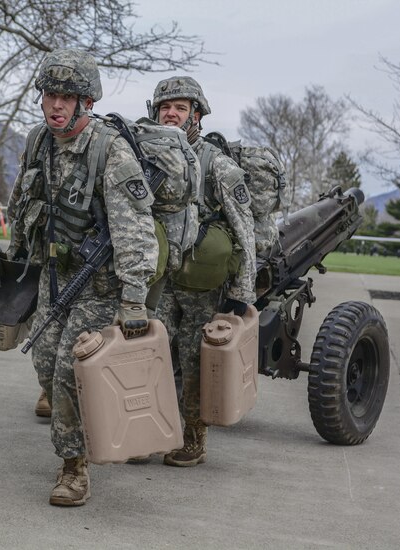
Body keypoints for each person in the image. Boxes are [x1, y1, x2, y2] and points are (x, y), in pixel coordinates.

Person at [8, 49, 158, 506]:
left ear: (85, 102)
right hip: (55, 277)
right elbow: (21, 199)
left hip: (99, 285)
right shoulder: (39, 141)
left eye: (66, 97)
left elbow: (136, 229)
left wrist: (134, 299)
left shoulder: (109, 151)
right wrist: (14, 258)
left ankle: (74, 468)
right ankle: (83, 432)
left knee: (68, 371)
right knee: (42, 361)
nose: (56, 105)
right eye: (50, 95)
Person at [149, 76, 257, 466]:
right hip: (160, 279)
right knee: (152, 352)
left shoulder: (219, 167)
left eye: (180, 107)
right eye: (165, 107)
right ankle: (150, 430)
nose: (171, 113)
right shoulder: (145, 158)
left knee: (193, 358)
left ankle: (193, 436)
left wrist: (243, 295)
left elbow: (245, 231)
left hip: (200, 283)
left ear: (196, 114)